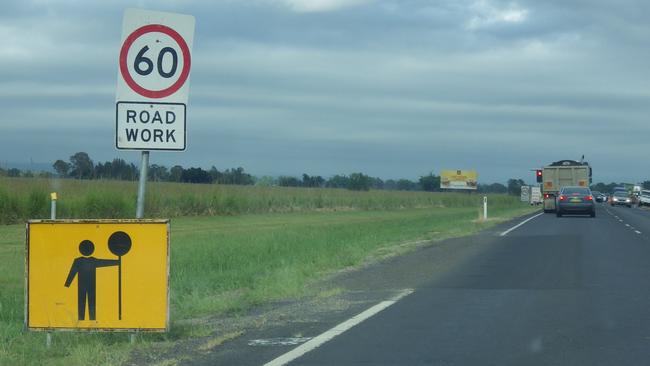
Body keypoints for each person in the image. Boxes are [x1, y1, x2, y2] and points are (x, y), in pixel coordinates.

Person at [64, 240, 119, 321]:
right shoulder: (91, 261)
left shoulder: (79, 261)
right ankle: (89, 319)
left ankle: (84, 319)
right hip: (89, 285)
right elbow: (104, 262)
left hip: (84, 285)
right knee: (89, 302)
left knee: (84, 302)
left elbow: (72, 272)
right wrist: (118, 262)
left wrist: (67, 284)